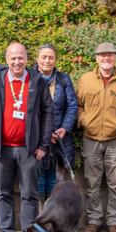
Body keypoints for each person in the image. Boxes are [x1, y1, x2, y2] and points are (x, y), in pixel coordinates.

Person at [0, 42, 52, 232]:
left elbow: (47, 113)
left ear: (27, 59)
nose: (17, 62)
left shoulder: (37, 80)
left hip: (29, 149)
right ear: (7, 59)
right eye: (13, 58)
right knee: (3, 192)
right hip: (1, 149)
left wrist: (43, 145)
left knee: (29, 194)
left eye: (21, 58)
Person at [75, 41, 116, 232]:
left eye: (110, 55)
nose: (106, 58)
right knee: (92, 183)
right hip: (90, 138)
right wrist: (83, 120)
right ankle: (93, 221)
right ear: (96, 58)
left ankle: (113, 222)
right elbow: (78, 105)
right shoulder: (85, 80)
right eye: (102, 55)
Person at [35, 43, 77, 203]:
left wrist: (64, 128)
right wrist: (43, 133)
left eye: (51, 57)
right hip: (37, 139)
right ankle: (39, 217)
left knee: (56, 178)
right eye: (44, 57)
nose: (47, 60)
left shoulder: (63, 79)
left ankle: (52, 217)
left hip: (60, 139)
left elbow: (72, 105)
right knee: (38, 179)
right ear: (37, 58)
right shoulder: (30, 78)